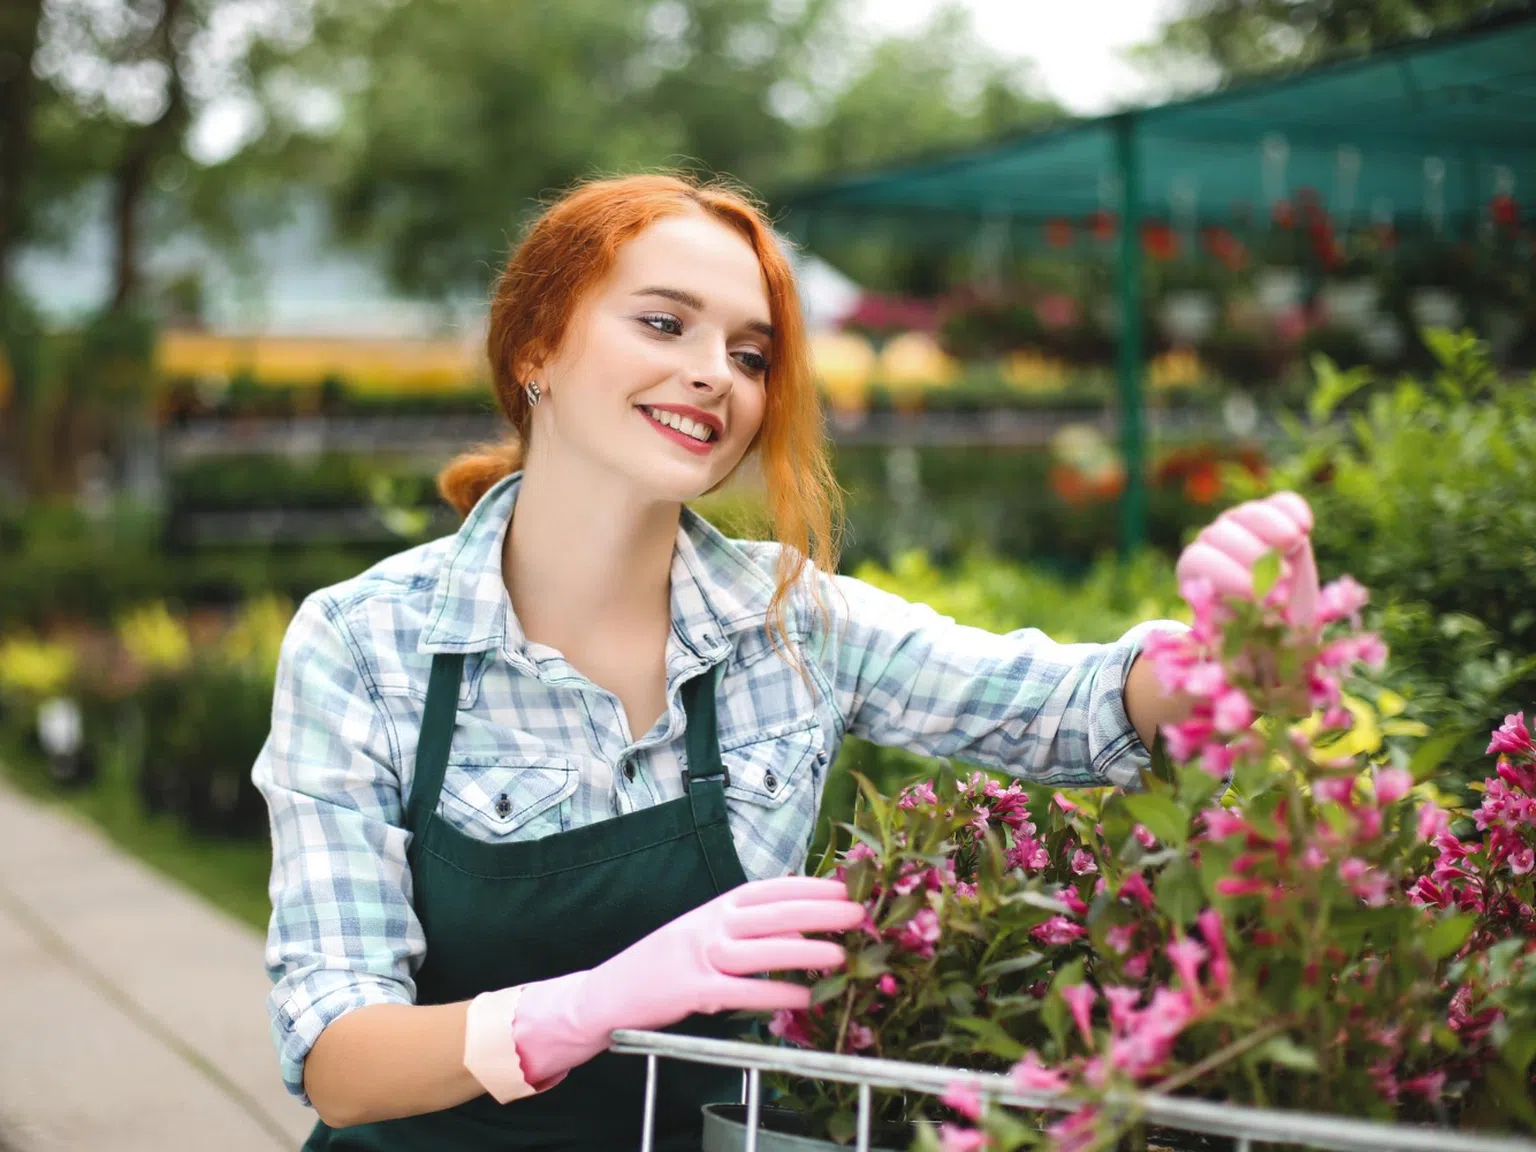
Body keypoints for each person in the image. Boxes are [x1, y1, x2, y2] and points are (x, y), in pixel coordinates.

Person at [254, 172, 1318, 1152]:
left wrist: (1234, 648)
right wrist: (589, 1004)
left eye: (752, 354)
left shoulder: (791, 622)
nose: (714, 374)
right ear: (536, 347)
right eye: (664, 322)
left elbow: (1073, 711)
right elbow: (340, 1058)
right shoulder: (367, 646)